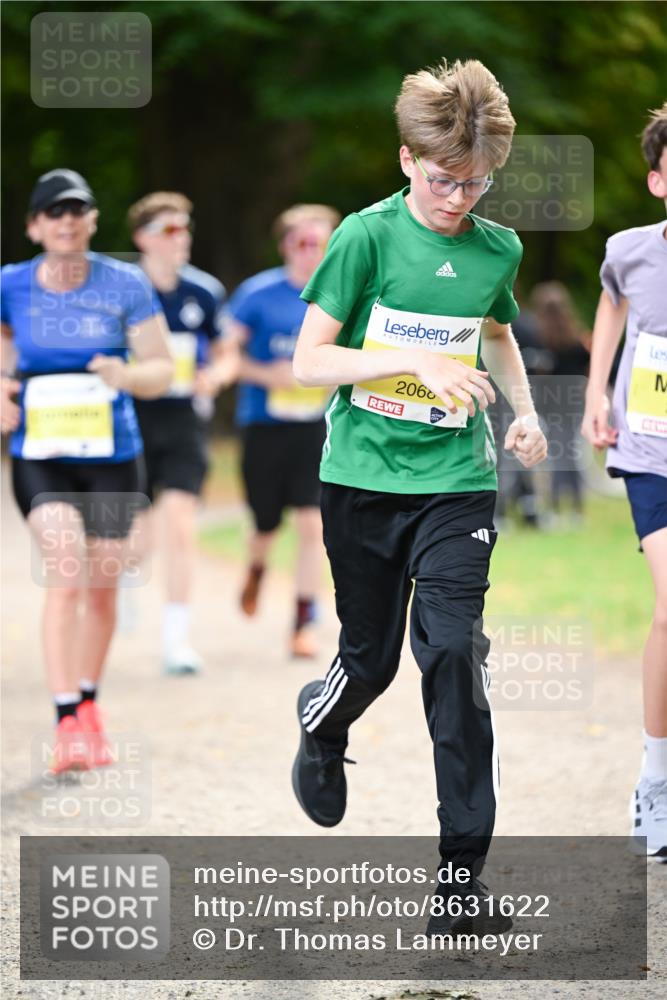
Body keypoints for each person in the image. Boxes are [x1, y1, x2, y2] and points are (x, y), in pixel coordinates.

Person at [290, 59, 547, 935]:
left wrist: (523, 415)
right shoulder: (364, 237)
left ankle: (459, 881)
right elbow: (308, 362)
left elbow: (499, 335)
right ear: (407, 161)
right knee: (372, 659)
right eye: (444, 181)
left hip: (454, 484)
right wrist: (415, 363)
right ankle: (323, 728)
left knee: (451, 658)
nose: (459, 200)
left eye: (476, 184)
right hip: (360, 479)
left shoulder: (495, 248)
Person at [0, 169, 173, 772]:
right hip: (41, 457)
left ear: (93, 220)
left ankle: (90, 704)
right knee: (66, 567)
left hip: (113, 458)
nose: (67, 220)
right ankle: (66, 718)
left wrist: (124, 375)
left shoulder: (124, 282)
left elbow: (162, 369)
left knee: (101, 586)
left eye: (77, 210)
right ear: (34, 226)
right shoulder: (10, 285)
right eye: (54, 212)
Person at [582, 101, 667, 859]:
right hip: (650, 453)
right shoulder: (629, 251)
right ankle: (656, 780)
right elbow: (609, 308)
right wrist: (592, 394)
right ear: (656, 180)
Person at [223, 204, 341, 659]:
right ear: (285, 245)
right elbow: (228, 354)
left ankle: (302, 622)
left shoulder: (342, 294)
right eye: (302, 242)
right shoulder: (258, 294)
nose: (312, 251)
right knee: (265, 526)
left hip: (316, 426)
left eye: (320, 242)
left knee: (313, 525)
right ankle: (255, 567)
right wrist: (262, 372)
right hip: (264, 427)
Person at [127, 191, 235, 675]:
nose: (182, 237)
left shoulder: (204, 291)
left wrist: (217, 374)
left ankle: (177, 637)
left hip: (184, 421)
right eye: (170, 230)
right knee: (135, 538)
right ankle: (125, 586)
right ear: (142, 239)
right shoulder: (122, 291)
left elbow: (227, 350)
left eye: (185, 227)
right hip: (131, 420)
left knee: (182, 526)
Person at [531, 281, 590, 524]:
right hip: (574, 404)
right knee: (572, 454)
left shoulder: (538, 339)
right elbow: (587, 369)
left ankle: (554, 507)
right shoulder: (577, 338)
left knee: (556, 455)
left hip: (550, 405)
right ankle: (576, 508)